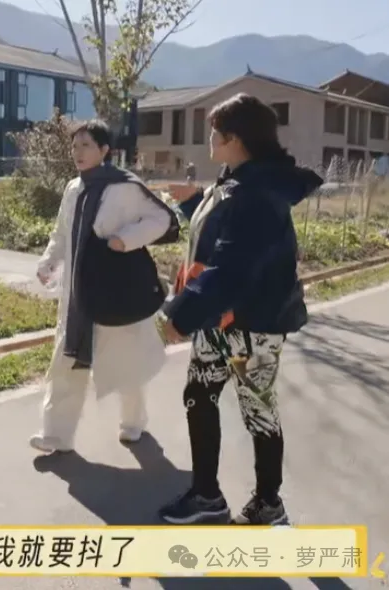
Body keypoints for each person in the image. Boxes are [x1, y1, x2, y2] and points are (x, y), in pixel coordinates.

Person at [158, 93, 323, 525]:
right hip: (221, 320)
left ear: (234, 138)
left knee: (257, 410)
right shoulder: (238, 180)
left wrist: (182, 316)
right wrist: (194, 202)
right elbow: (223, 234)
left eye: (214, 132)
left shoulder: (258, 192)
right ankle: (206, 494)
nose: (209, 140)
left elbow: (231, 265)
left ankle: (268, 503)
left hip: (252, 323)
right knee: (199, 395)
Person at [32, 120, 180, 451]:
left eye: (86, 145)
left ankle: (133, 422)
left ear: (104, 150)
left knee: (126, 361)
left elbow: (161, 219)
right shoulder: (73, 188)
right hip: (78, 294)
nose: (78, 152)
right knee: (67, 361)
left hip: (114, 288)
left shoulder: (124, 186)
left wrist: (126, 239)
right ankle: (56, 434)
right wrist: (48, 262)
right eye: (74, 146)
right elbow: (61, 233)